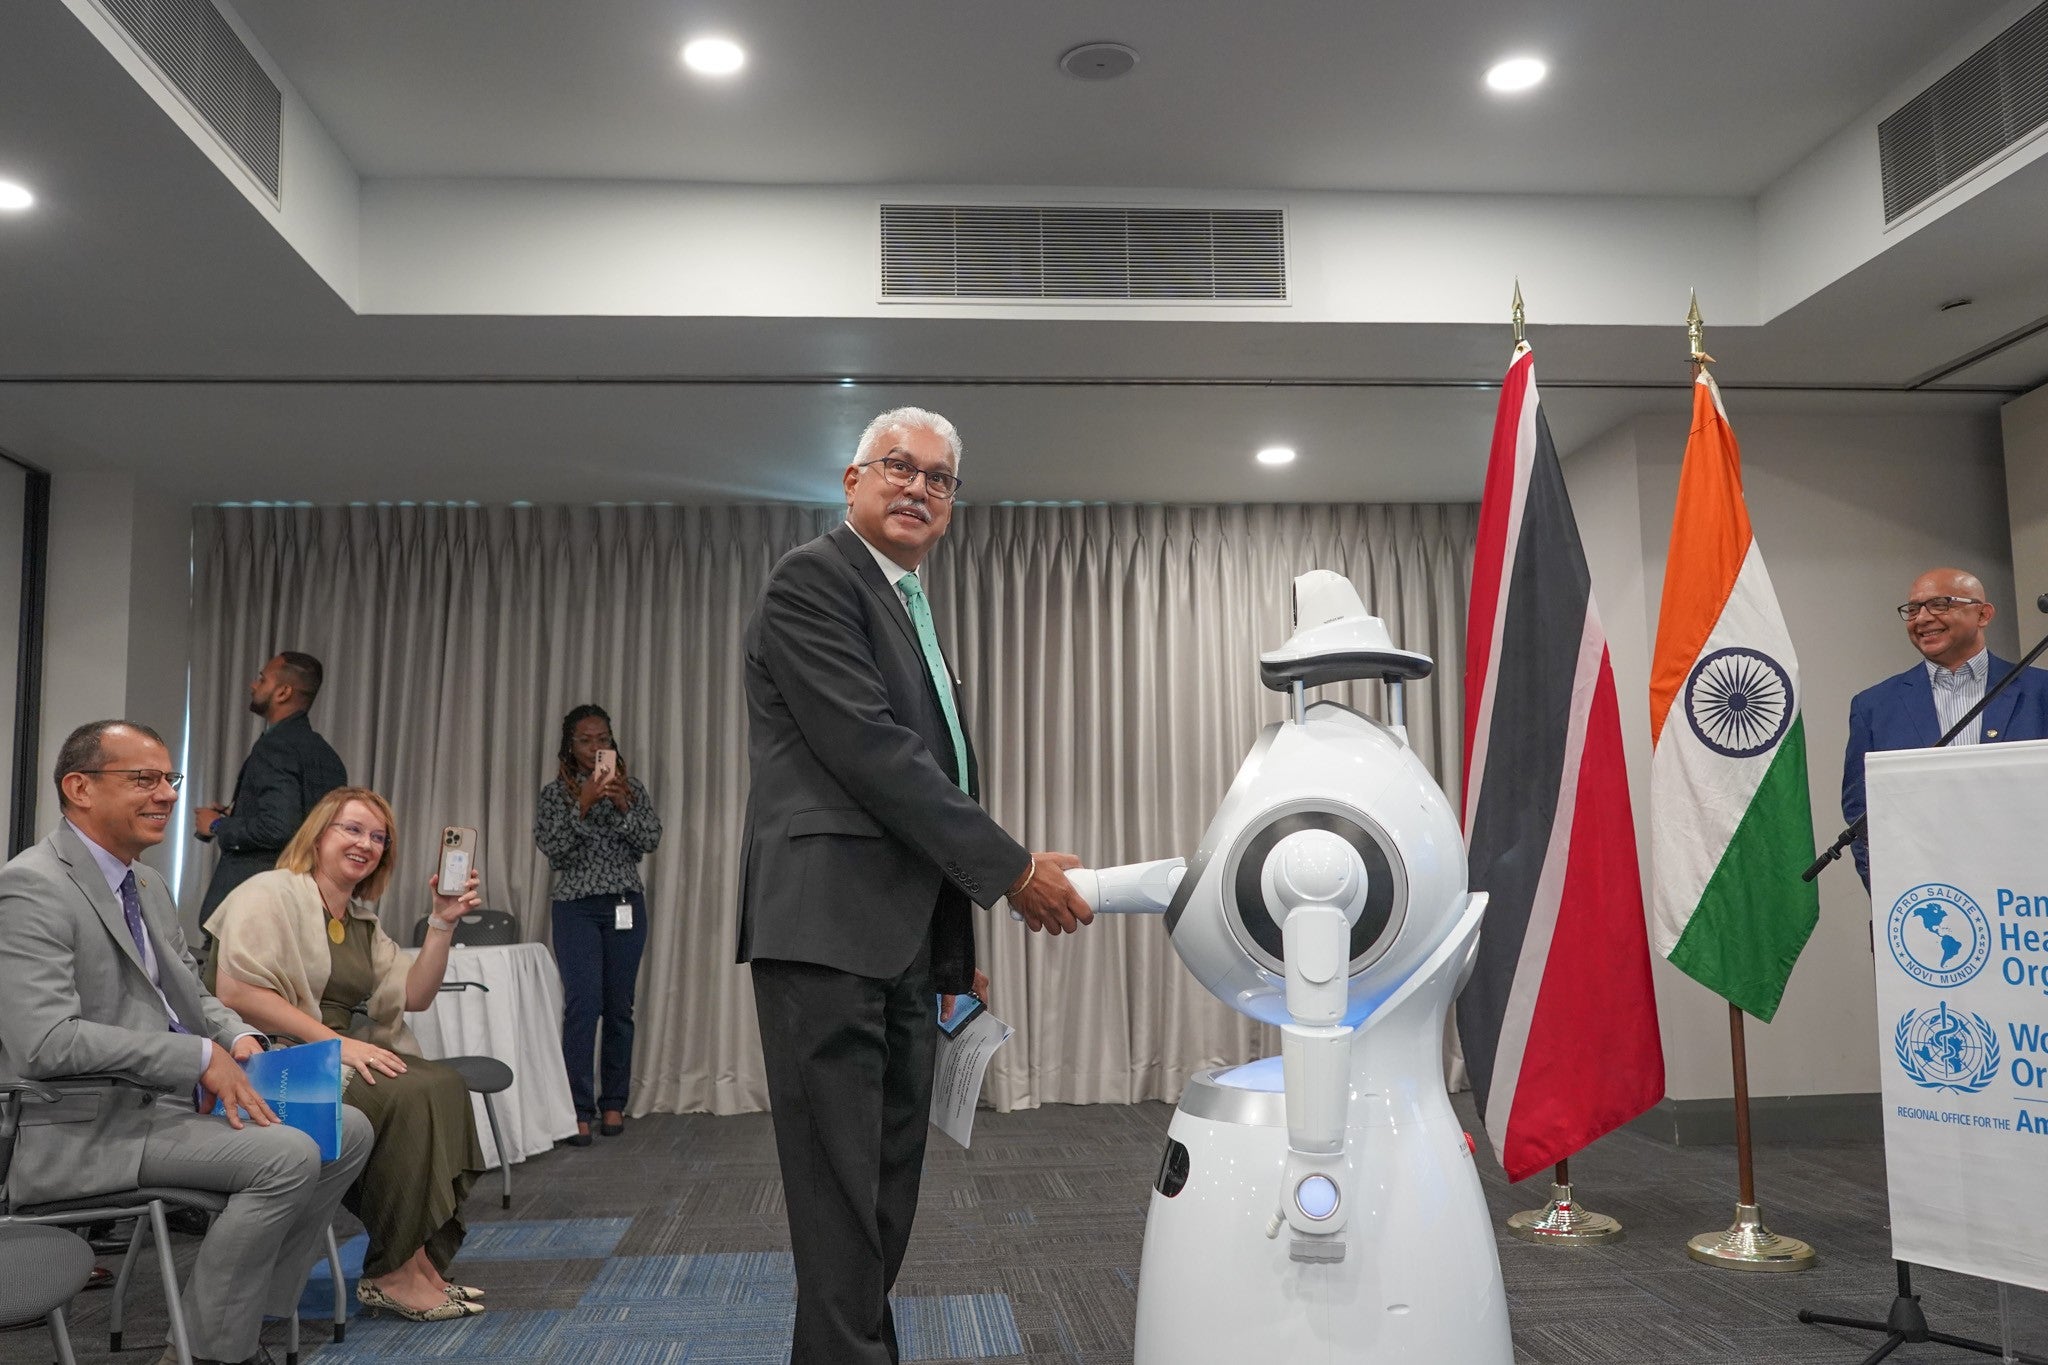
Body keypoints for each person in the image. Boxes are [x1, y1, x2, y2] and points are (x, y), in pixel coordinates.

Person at [737, 406, 1095, 1365]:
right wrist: (1017, 870)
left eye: (940, 478)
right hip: (823, 936)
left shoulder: (908, 610)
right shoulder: (813, 580)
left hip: (900, 948)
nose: (920, 488)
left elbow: (932, 793)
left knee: (885, 1191)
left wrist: (954, 958)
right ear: (851, 481)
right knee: (839, 1197)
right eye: (899, 466)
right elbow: (877, 758)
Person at [0, 720, 372, 1365]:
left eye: (167, 779)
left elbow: (192, 996)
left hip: (165, 1107)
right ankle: (205, 1352)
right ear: (79, 788)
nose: (168, 795)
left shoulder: (144, 882)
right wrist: (199, 1058)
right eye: (142, 779)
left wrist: (241, 1040)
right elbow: (45, 1043)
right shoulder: (32, 886)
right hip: (88, 1124)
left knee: (349, 1129)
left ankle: (241, 1318)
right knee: (283, 1156)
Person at [205, 787, 486, 1322]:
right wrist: (336, 1044)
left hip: (332, 1057)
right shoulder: (267, 893)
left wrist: (443, 921)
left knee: (442, 1084)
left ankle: (416, 1261)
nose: (366, 843)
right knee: (410, 1091)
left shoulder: (361, 921)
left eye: (379, 837)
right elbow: (236, 994)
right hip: (270, 1062)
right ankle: (393, 1272)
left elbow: (415, 995)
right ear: (318, 834)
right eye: (351, 829)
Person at [1842, 567, 2048, 885]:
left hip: (2031, 895)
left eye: (1940, 604)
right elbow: (1861, 811)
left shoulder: (2040, 692)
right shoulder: (1874, 706)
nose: (1921, 618)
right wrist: (1890, 892)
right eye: (1912, 609)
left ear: (1983, 614)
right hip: (1930, 898)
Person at [534, 704, 662, 1144]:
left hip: (626, 905)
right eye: (586, 740)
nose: (596, 748)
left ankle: (613, 1103)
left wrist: (624, 805)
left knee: (619, 1008)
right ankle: (578, 1108)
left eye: (603, 739)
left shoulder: (632, 788)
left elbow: (650, 840)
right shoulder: (555, 795)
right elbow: (556, 852)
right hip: (576, 908)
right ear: (570, 746)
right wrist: (582, 806)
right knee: (582, 1007)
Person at [195, 653, 348, 921]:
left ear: (283, 692)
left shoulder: (275, 746)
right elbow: (303, 824)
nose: (254, 685)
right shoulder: (327, 756)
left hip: (252, 910)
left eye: (262, 679)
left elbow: (278, 828)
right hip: (306, 905)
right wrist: (241, 814)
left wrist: (217, 825)